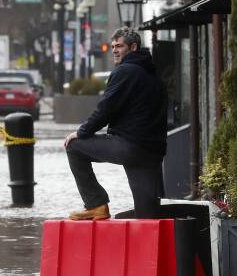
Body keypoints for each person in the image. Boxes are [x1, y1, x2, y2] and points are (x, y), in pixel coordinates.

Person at [64, 27, 167, 220]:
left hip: (129, 146)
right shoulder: (155, 77)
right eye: (113, 46)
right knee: (148, 216)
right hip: (152, 153)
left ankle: (96, 204)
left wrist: (81, 132)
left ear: (133, 47)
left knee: (74, 147)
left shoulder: (125, 71)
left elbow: (106, 108)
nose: (114, 50)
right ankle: (153, 247)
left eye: (119, 46)